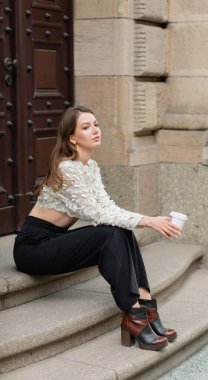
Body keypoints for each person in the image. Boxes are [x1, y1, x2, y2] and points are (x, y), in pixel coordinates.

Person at [13, 105, 182, 351]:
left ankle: (145, 306)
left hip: (54, 240)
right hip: (33, 249)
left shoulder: (89, 166)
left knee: (120, 228)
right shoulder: (65, 168)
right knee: (111, 230)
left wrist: (145, 220)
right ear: (72, 138)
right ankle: (134, 313)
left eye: (96, 124)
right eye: (86, 127)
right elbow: (97, 214)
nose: (95, 130)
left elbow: (107, 206)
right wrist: (148, 220)